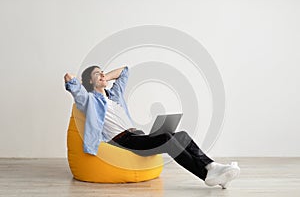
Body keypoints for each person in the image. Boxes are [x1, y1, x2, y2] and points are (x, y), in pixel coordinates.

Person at [64, 65, 240, 189]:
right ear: (89, 81)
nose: (102, 75)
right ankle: (208, 174)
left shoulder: (114, 95)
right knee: (167, 139)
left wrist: (103, 77)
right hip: (121, 141)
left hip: (136, 136)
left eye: (103, 72)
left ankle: (212, 168)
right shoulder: (89, 101)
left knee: (182, 135)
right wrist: (91, 82)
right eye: (97, 74)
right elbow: (69, 78)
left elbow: (125, 71)